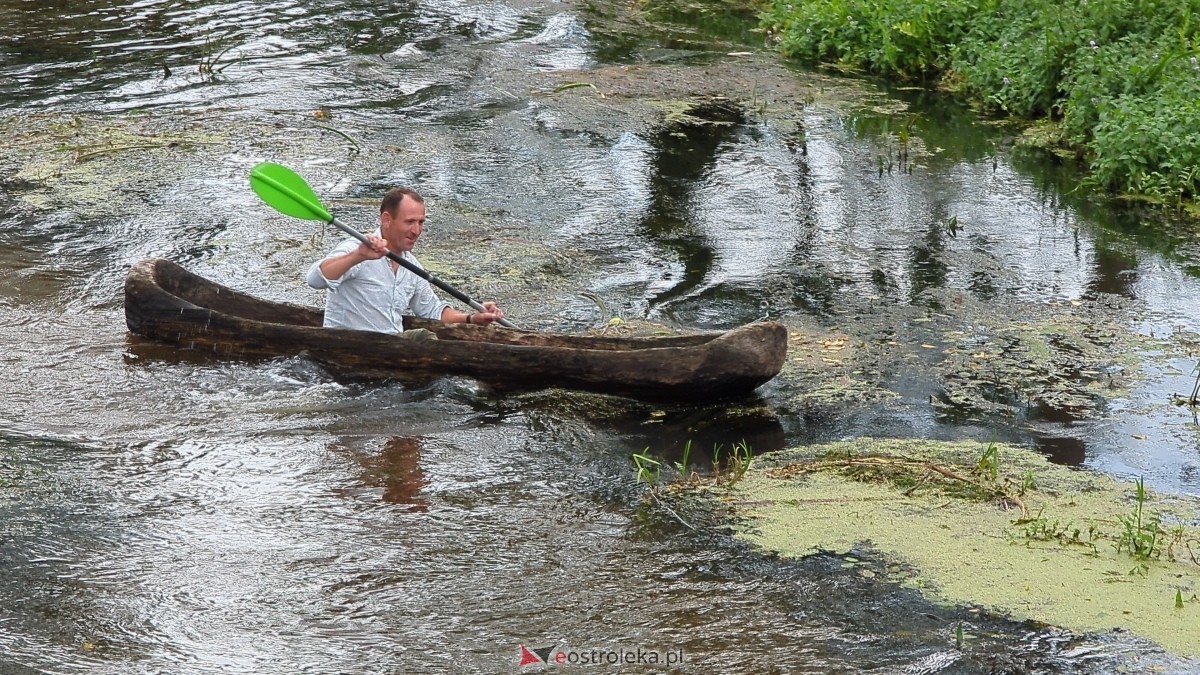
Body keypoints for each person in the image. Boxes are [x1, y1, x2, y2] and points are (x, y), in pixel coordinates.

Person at [305, 187, 505, 334]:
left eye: (421, 222)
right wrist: (358, 256)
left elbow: (433, 311)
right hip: (347, 348)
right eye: (409, 222)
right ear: (386, 219)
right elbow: (314, 279)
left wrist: (472, 318)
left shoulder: (413, 266)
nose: (416, 231)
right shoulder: (357, 249)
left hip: (391, 351)